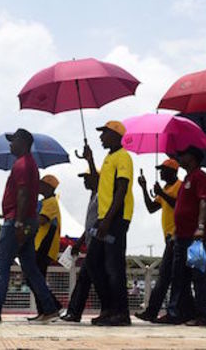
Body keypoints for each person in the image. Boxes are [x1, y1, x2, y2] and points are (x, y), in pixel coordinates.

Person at [0, 128, 59, 323]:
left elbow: (23, 193)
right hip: (28, 222)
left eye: (13, 141)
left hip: (16, 221)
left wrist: (17, 222)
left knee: (2, 265)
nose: (10, 144)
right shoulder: (30, 164)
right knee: (30, 268)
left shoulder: (22, 164)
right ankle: (50, 308)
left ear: (23, 143)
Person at [80, 121, 134, 326]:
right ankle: (109, 308)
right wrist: (91, 160)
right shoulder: (109, 158)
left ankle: (121, 313)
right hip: (104, 219)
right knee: (94, 263)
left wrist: (108, 220)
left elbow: (121, 191)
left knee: (114, 267)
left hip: (116, 219)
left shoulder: (123, 157)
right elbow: (96, 185)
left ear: (116, 135)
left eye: (105, 134)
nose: (101, 138)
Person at [162, 146, 206, 327]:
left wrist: (200, 227)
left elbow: (203, 202)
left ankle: (203, 315)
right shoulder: (186, 179)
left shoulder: (201, 177)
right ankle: (181, 312)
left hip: (195, 236)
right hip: (181, 236)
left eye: (182, 154)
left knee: (199, 275)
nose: (179, 157)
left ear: (192, 158)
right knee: (179, 276)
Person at [135, 159, 186, 323]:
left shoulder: (180, 186)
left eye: (163, 170)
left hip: (177, 235)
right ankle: (158, 311)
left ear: (173, 172)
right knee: (168, 276)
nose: (161, 172)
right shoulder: (165, 188)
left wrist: (163, 194)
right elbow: (151, 208)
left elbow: (180, 205)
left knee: (165, 276)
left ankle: (155, 311)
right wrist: (144, 188)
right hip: (169, 238)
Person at [60, 169, 99, 323]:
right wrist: (81, 241)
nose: (85, 181)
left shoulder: (101, 195)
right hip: (90, 243)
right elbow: (90, 224)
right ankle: (74, 312)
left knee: (86, 279)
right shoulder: (92, 195)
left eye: (87, 178)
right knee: (86, 279)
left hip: (98, 244)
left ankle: (75, 312)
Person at [29, 174, 62, 318]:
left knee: (34, 277)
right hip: (39, 245)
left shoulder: (51, 202)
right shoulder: (44, 202)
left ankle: (52, 307)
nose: (39, 186)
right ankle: (43, 310)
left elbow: (41, 220)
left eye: (42, 184)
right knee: (36, 278)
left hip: (44, 245)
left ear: (49, 187)